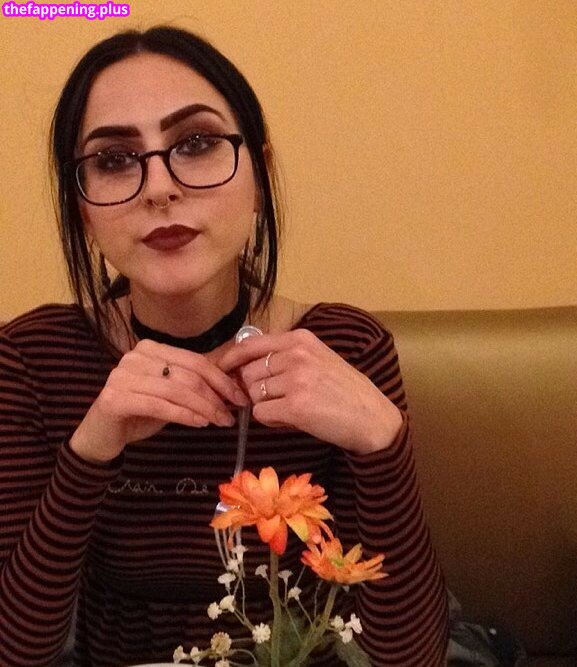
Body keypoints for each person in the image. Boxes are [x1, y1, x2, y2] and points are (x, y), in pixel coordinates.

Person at [0, 26, 449, 666]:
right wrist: (90, 448)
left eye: (197, 144)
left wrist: (382, 445)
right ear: (82, 212)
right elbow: (16, 650)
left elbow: (409, 657)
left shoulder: (344, 346)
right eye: (114, 160)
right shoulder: (33, 358)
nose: (159, 188)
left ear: (259, 177)